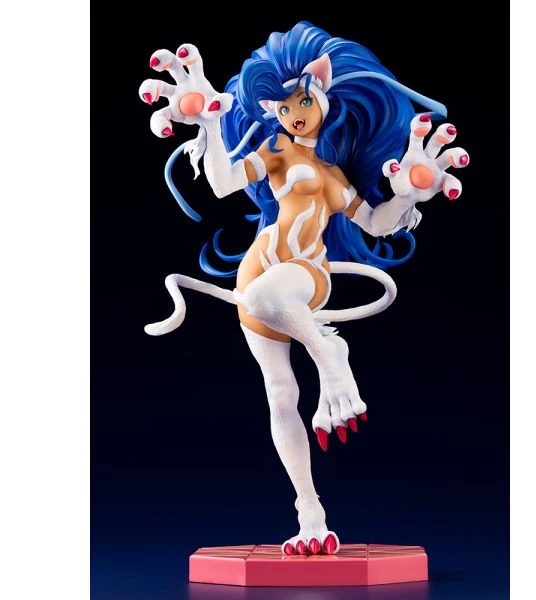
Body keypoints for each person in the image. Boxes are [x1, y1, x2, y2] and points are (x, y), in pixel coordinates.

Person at [139, 22, 469, 556]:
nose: (293, 112)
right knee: (280, 394)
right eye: (283, 105)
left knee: (265, 301)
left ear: (324, 91)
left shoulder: (334, 177)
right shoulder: (274, 150)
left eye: (303, 100)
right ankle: (310, 513)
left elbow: (376, 223)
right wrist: (210, 123)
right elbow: (222, 184)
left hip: (303, 274)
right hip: (257, 271)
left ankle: (331, 355)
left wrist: (409, 193)